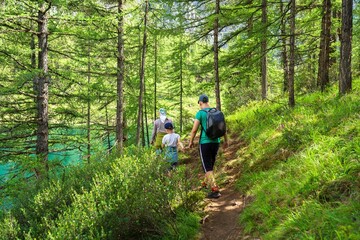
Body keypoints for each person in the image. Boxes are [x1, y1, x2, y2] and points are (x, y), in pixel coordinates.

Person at [188, 94, 228, 199]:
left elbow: (194, 130)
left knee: (208, 167)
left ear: (200, 103)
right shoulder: (217, 112)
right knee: (209, 165)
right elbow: (223, 128)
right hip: (216, 142)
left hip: (205, 143)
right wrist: (226, 141)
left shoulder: (200, 113)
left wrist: (190, 142)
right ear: (208, 102)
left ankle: (215, 190)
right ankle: (204, 185)